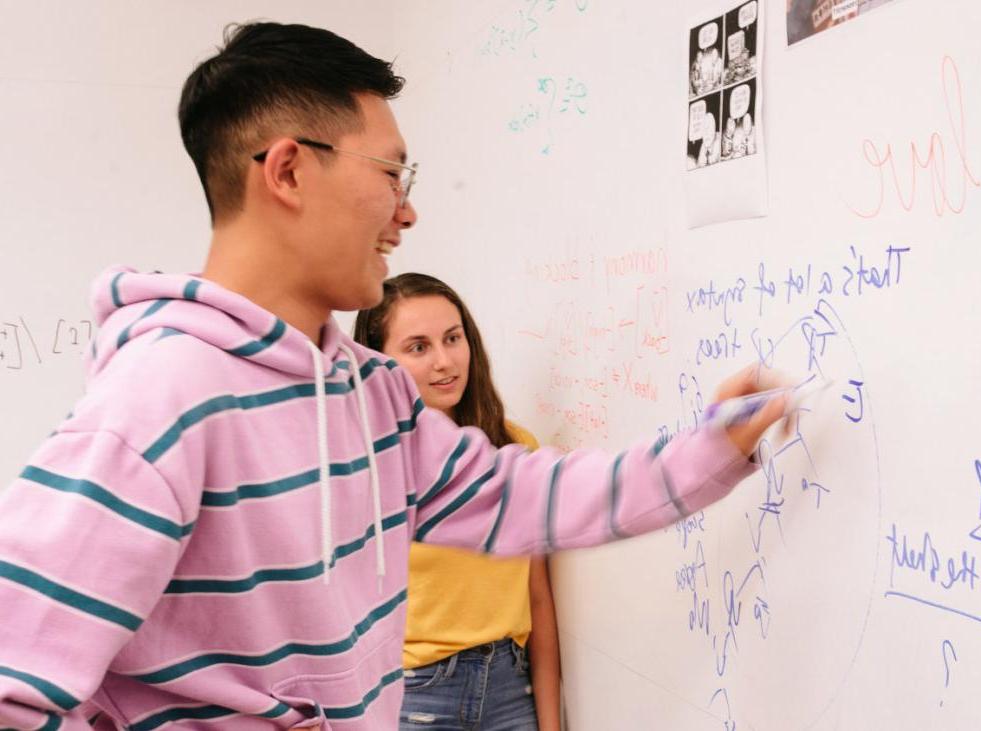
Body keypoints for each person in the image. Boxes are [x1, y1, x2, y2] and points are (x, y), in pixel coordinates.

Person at [0, 22, 785, 729]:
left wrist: (710, 450)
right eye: (392, 174)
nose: (406, 213)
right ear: (287, 172)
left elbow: (526, 494)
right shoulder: (158, 397)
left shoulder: (374, 396)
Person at [353, 274, 561, 731]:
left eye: (452, 338)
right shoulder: (364, 466)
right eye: (418, 347)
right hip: (412, 696)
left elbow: (539, 600)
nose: (445, 362)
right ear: (379, 361)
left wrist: (551, 723)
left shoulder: (513, 447)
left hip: (512, 690)